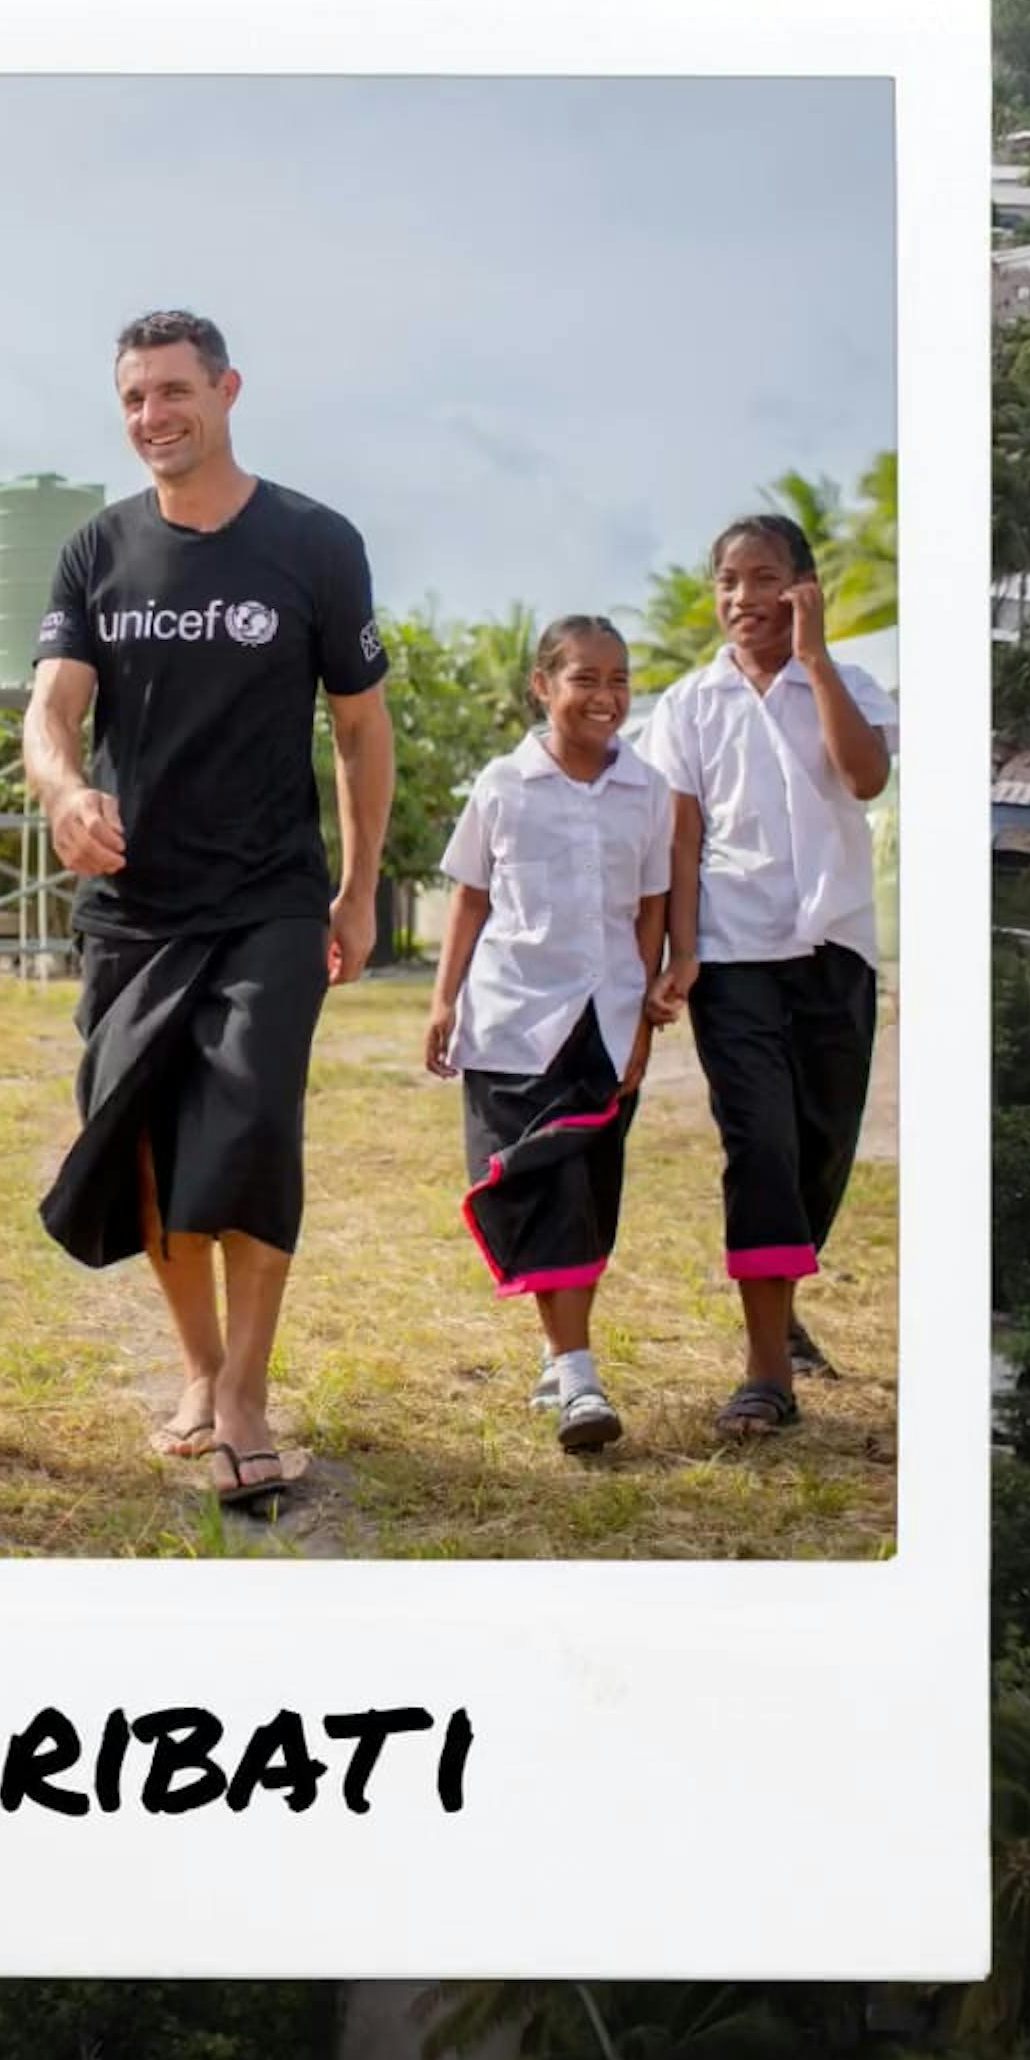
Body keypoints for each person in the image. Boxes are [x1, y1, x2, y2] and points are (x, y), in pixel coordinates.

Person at [26, 309, 393, 1513]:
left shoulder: (315, 542)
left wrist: (356, 889)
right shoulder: (95, 550)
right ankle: (197, 1366)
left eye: (174, 391)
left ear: (227, 391)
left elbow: (360, 727)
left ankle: (245, 1394)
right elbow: (51, 710)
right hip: (132, 906)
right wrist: (65, 791)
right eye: (134, 398)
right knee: (140, 1139)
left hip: (268, 900)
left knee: (250, 1127)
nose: (153, 416)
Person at [635, 512, 896, 1439]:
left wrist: (814, 660)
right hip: (734, 951)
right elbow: (680, 840)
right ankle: (765, 1373)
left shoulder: (849, 684)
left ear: (804, 588)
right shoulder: (687, 706)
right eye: (728, 581)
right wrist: (679, 950)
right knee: (761, 1145)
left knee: (824, 1145)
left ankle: (780, 1306)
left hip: (836, 946)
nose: (744, 597)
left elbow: (864, 778)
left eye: (764, 577)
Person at [424, 615, 676, 1453]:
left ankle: (557, 1355)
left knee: (591, 1195)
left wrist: (641, 1021)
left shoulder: (647, 791)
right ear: (543, 686)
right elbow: (470, 896)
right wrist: (443, 1001)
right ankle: (578, 1378)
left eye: (619, 679)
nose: (607, 697)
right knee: (548, 1190)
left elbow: (651, 909)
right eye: (585, 679)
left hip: (605, 1023)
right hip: (514, 1023)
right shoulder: (503, 785)